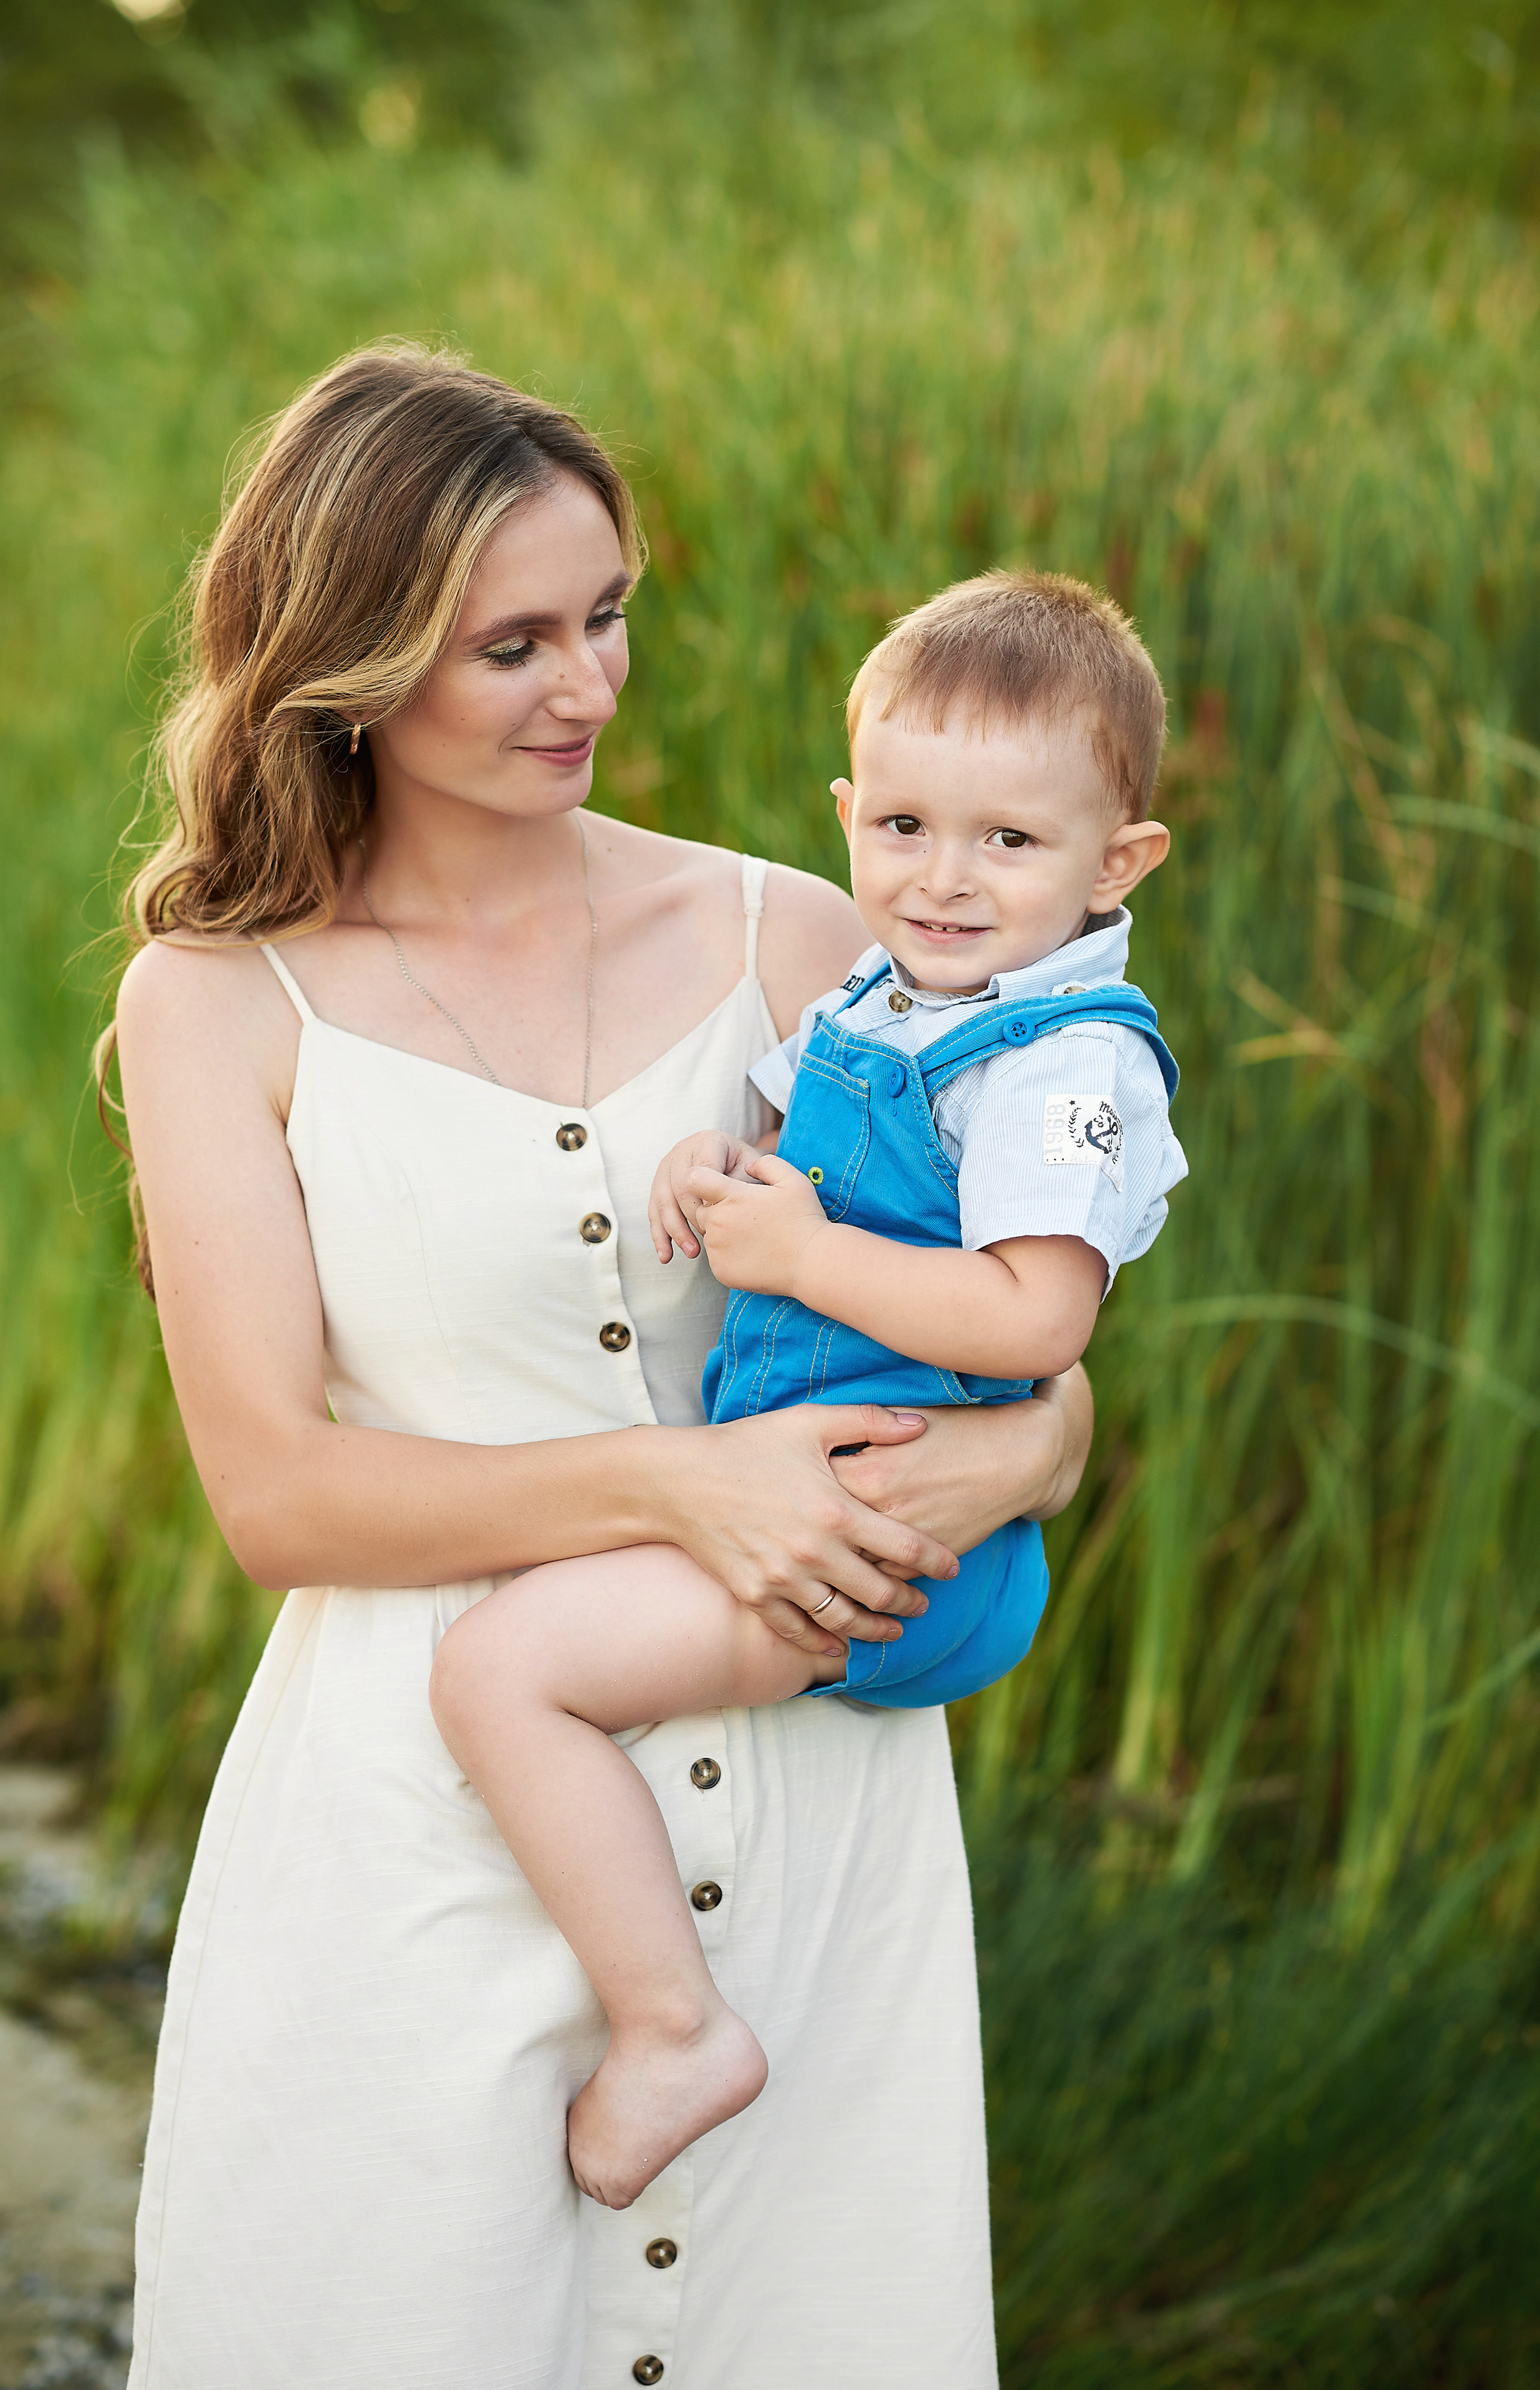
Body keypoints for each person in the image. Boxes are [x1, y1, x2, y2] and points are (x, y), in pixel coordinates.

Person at [108, 341, 1095, 2390]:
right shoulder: (220, 999)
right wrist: (681, 1484)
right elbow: (277, 1496)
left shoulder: (799, 937)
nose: (590, 684)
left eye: (610, 616)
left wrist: (1028, 1460)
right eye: (514, 644)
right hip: (421, 1840)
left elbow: (1027, 1342)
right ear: (353, 660)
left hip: (821, 1820)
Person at [429, 570, 1187, 2212]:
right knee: (519, 1656)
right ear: (848, 811)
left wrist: (797, 1258)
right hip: (828, 1490)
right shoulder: (882, 998)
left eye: (1009, 841)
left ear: (1118, 863)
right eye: (905, 823)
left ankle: (671, 2026)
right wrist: (726, 1169)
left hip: (891, 1535)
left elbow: (1034, 1314)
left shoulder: (1066, 1064)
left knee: (503, 1673)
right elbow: (807, 1169)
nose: (943, 876)